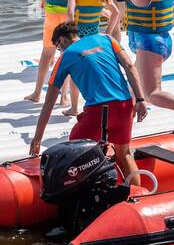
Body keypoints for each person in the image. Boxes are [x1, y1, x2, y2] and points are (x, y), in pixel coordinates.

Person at [28, 22, 150, 186]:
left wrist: (37, 139)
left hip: (98, 110)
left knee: (75, 148)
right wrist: (141, 100)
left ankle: (88, 193)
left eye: (58, 48)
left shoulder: (66, 56)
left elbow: (48, 104)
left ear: (62, 40)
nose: (60, 51)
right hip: (125, 104)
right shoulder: (107, 39)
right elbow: (129, 65)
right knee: (125, 152)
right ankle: (136, 196)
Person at [26, 0, 84, 113]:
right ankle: (64, 96)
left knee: (47, 53)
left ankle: (37, 92)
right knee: (67, 55)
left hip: (51, 15)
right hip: (70, 17)